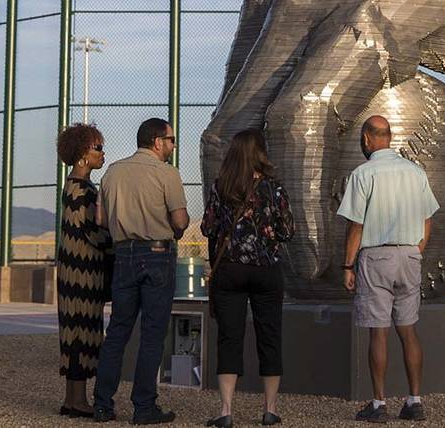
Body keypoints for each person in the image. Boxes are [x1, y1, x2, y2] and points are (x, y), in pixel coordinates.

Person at [337, 116, 439, 423]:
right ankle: (414, 400)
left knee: (378, 332)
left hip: (376, 258)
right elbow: (428, 218)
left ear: (367, 139)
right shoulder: (415, 172)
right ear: (389, 137)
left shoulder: (363, 173)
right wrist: (416, 249)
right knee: (408, 330)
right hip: (409, 256)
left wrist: (347, 264)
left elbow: (356, 224)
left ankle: (379, 405)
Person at [93, 118, 190, 424]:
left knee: (117, 331)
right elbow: (179, 221)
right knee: (152, 334)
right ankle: (144, 407)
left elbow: (100, 219)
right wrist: (176, 228)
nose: (174, 145)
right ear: (157, 141)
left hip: (123, 255)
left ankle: (102, 404)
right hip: (158, 254)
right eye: (171, 139)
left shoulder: (112, 172)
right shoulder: (167, 173)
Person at [201, 129, 295, 428]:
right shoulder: (273, 188)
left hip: (230, 270)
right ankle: (269, 409)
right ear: (260, 153)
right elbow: (287, 232)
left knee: (230, 338)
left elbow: (207, 227)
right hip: (266, 270)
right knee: (270, 335)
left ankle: (227, 410)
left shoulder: (221, 186)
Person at [55, 123, 112, 418]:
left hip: (76, 271)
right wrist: (117, 241)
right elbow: (93, 232)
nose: (102, 153)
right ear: (82, 155)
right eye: (97, 148)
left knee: (77, 331)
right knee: (82, 331)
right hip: (83, 273)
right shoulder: (83, 190)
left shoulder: (74, 186)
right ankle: (76, 400)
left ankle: (74, 398)